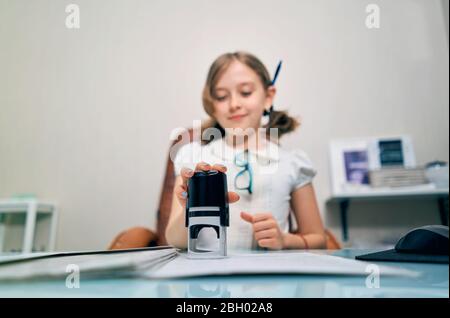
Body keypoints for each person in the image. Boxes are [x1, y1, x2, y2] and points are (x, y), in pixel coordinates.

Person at [165, 51, 326, 251]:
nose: (234, 104)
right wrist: (188, 209)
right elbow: (174, 240)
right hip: (209, 277)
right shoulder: (193, 158)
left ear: (268, 97)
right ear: (211, 105)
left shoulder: (291, 162)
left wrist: (285, 240)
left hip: (271, 280)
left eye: (246, 92)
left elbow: (319, 239)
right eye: (222, 96)